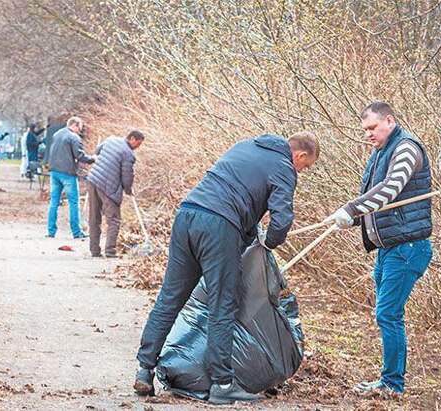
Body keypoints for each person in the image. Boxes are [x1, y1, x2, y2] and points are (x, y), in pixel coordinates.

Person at [134, 132, 319, 404]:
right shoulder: (284, 166)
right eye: (305, 166)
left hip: (187, 215)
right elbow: (281, 220)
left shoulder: (245, 145)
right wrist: (267, 243)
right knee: (223, 304)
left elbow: (235, 190)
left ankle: (144, 369)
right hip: (218, 226)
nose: (301, 171)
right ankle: (222, 384)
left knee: (170, 298)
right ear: (299, 155)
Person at [324, 102, 433, 398]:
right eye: (365, 130)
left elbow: (391, 188)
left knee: (388, 314)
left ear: (389, 120)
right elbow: (372, 195)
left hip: (408, 249)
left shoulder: (407, 149)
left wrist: (351, 209)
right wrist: (353, 215)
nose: (368, 134)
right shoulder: (381, 151)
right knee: (386, 314)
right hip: (389, 249)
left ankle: (393, 385)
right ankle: (388, 380)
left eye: (372, 128)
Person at [87, 130, 144, 257]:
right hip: (109, 187)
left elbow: (97, 151)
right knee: (114, 220)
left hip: (93, 180)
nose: (138, 147)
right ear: (133, 139)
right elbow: (127, 176)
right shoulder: (128, 154)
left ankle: (94, 250)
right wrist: (128, 190)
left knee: (94, 218)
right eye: (138, 144)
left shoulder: (111, 139)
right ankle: (110, 251)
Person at [46, 116, 95, 239]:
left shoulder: (57, 134)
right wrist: (93, 159)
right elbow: (80, 156)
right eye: (80, 127)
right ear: (75, 125)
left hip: (54, 171)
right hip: (67, 173)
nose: (80, 130)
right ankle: (76, 232)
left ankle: (51, 231)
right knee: (74, 202)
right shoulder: (74, 137)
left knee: (54, 202)